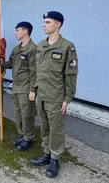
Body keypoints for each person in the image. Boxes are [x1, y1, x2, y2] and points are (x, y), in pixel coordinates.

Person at [31, 11, 78, 178]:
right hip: (42, 95)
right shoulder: (41, 45)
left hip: (56, 97)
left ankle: (55, 158)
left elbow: (71, 75)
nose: (44, 25)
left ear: (58, 24)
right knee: (44, 126)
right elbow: (37, 70)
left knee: (56, 129)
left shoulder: (67, 46)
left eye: (48, 22)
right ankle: (46, 152)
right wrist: (33, 90)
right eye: (44, 22)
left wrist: (67, 98)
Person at [0, 21, 37, 150]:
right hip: (16, 86)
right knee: (17, 113)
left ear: (25, 31)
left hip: (26, 88)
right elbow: (11, 63)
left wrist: (33, 90)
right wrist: (0, 63)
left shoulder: (32, 49)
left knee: (27, 114)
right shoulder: (17, 49)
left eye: (17, 30)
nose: (15, 33)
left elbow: (34, 72)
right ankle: (22, 134)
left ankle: (28, 138)